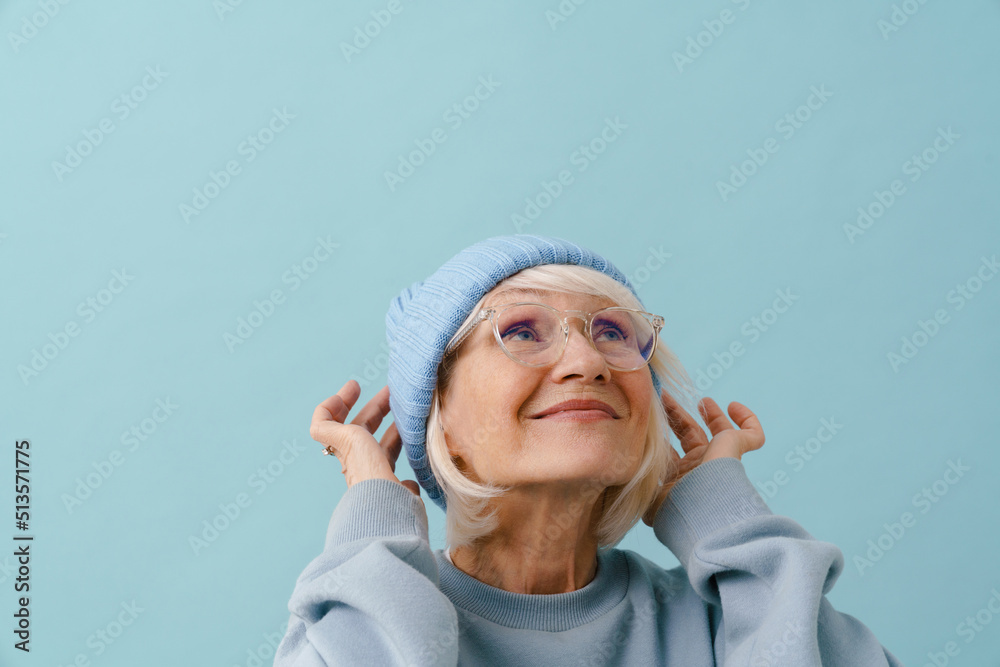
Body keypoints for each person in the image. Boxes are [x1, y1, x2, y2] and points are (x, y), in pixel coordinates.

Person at [274, 234, 903, 666]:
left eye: (613, 332)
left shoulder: (734, 619)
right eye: (521, 330)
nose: (587, 361)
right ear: (441, 423)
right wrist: (375, 523)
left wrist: (724, 519)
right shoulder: (360, 618)